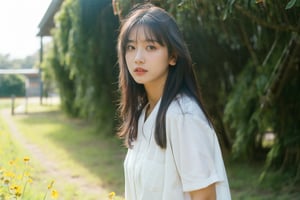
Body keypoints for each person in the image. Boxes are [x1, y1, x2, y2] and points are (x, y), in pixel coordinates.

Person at [116, 3, 231, 200]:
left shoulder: (184, 116)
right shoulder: (143, 113)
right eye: (131, 47)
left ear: (173, 56)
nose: (138, 58)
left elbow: (204, 196)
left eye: (150, 47)